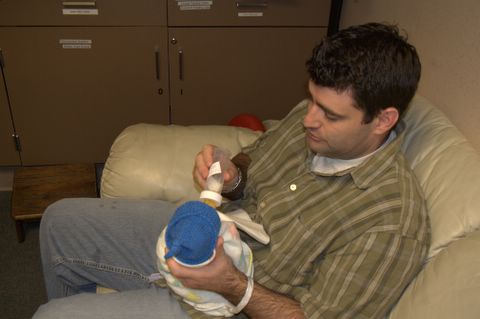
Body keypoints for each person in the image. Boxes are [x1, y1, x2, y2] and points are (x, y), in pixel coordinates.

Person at [34, 22, 430, 319]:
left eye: (328, 114)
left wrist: (230, 283)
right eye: (310, 100)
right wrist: (233, 174)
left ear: (382, 120)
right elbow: (254, 160)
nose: (308, 119)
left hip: (229, 303)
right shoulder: (311, 121)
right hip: (213, 231)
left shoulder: (390, 222)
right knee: (59, 220)